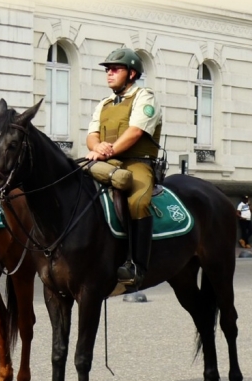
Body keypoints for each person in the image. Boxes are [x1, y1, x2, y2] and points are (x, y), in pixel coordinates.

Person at [86, 47, 161, 287]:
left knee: (138, 201)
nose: (109, 73)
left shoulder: (144, 97)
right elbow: (91, 134)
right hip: (107, 161)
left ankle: (137, 265)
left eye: (115, 69)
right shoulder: (104, 103)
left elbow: (135, 132)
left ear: (131, 73)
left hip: (137, 163)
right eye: (107, 69)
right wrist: (97, 148)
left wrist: (107, 150)